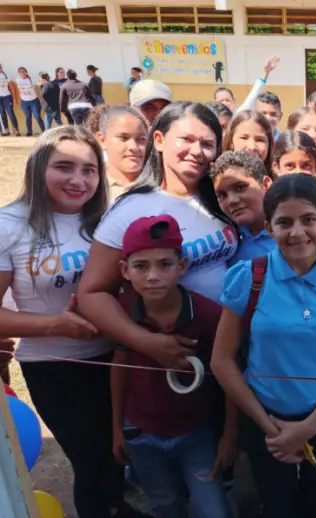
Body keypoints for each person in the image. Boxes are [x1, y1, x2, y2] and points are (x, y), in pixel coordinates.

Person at [211, 173, 316, 518]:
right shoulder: (248, 277)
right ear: (269, 227)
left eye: (308, 220)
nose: (297, 233)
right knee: (277, 504)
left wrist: (310, 426)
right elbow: (222, 361)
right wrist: (271, 428)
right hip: (264, 418)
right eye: (284, 222)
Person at [0, 126, 141, 518]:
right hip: (56, 367)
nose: (79, 180)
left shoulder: (106, 221)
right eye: (64, 167)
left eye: (89, 169)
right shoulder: (9, 225)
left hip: (114, 358)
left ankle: (117, 509)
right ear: (38, 166)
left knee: (117, 455)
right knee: (91, 463)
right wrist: (54, 325)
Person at [77, 102, 237, 371]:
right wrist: (145, 341)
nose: (197, 151)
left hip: (228, 344)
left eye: (208, 144)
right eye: (186, 139)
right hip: (174, 350)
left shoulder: (220, 199)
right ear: (160, 140)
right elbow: (92, 294)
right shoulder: (131, 210)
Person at [112, 214, 236, 518]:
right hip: (142, 434)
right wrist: (117, 427)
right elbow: (120, 368)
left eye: (164, 264)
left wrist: (229, 436)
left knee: (213, 510)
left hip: (197, 434)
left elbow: (231, 376)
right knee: (164, 505)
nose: (153, 275)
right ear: (124, 271)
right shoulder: (122, 311)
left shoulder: (209, 316)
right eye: (141, 266)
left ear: (181, 266)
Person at [211, 151, 274, 264]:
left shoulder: (293, 236)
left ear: (266, 184)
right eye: (221, 195)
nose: (232, 201)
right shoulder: (227, 240)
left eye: (240, 187)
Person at [95, 106, 148, 200]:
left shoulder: (160, 184)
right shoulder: (93, 187)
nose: (134, 147)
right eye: (123, 138)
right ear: (102, 140)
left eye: (141, 139)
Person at [213, 55, 281, 113]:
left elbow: (254, 94)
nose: (225, 103)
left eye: (227, 100)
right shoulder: (211, 122)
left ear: (234, 102)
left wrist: (265, 72)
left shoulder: (239, 116)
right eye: (221, 101)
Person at [223, 109, 273, 174]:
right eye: (244, 138)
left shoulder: (278, 182)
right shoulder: (218, 180)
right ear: (231, 142)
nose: (252, 147)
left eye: (260, 140)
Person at [16, 67, 44, 136]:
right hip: (24, 102)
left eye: (24, 71)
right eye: (21, 72)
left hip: (34, 101)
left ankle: (44, 131)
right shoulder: (17, 80)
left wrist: (41, 77)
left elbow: (41, 83)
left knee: (37, 116)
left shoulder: (31, 80)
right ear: (19, 73)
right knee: (28, 117)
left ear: (26, 72)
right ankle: (29, 131)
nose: (22, 73)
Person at [0, 62, 20, 136]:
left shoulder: (6, 75)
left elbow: (12, 88)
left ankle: (16, 129)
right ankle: (6, 130)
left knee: (11, 113)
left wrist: (14, 98)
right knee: (2, 114)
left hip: (7, 97)